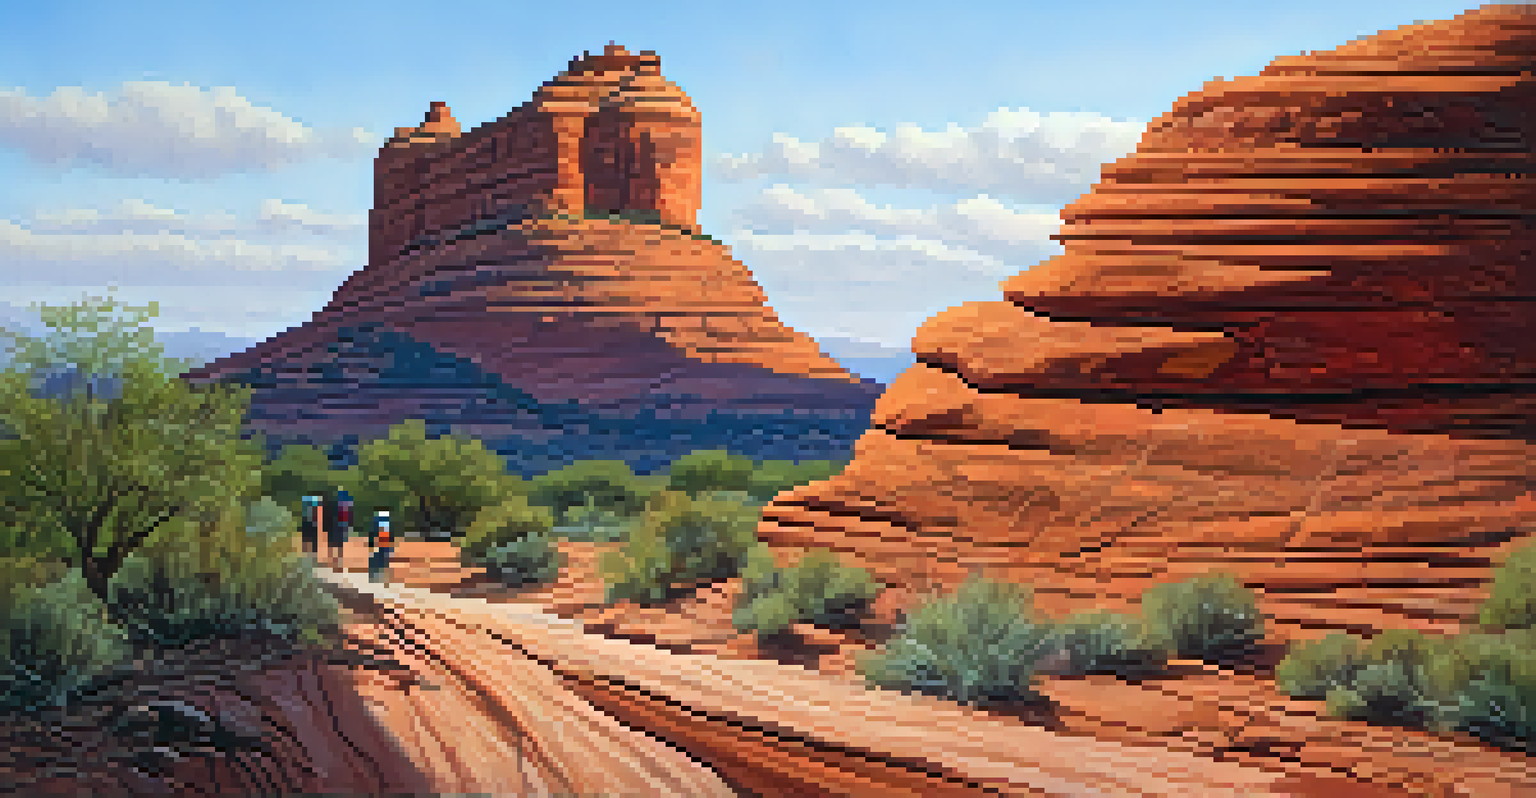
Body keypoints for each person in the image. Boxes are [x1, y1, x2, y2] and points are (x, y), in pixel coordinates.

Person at [369, 509, 394, 584]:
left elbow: (389, 535)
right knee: (378, 559)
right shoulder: (377, 524)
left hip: (384, 544)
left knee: (383, 560)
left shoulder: (384, 524)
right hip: (380, 544)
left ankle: (380, 575)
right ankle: (375, 575)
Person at [329, 489, 352, 570]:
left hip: (335, 525)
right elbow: (350, 516)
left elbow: (331, 515)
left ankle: (333, 562)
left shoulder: (334, 504)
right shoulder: (348, 503)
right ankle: (338, 563)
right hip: (342, 525)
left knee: (333, 543)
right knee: (339, 545)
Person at [299, 495, 320, 561]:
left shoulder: (306, 501)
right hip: (312, 524)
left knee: (308, 539)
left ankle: (307, 554)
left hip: (308, 523)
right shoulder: (314, 502)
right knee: (312, 539)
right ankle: (312, 555)